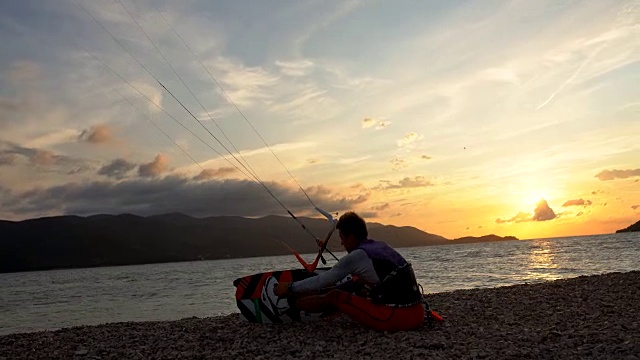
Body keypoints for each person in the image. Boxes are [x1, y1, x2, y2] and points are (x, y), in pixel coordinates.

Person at [274, 211, 425, 331]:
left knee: (335, 296)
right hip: (419, 313)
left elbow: (323, 279)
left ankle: (290, 306)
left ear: (351, 237)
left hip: (397, 318)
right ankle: (301, 298)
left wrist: (290, 287)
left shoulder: (357, 255)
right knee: (355, 284)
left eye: (342, 238)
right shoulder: (380, 247)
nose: (341, 242)